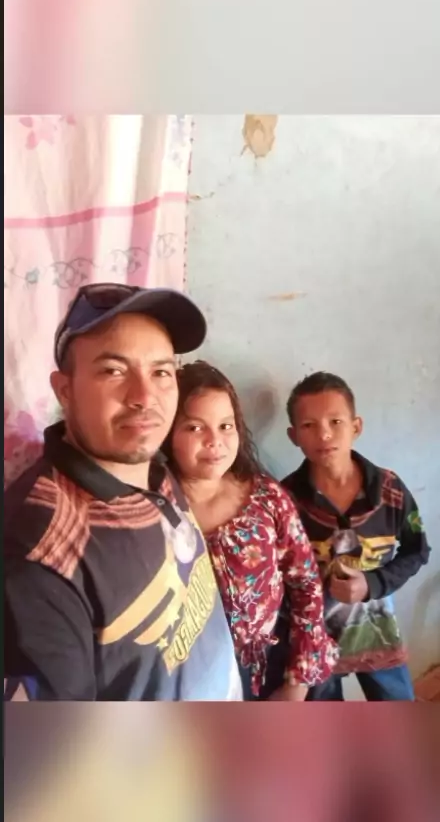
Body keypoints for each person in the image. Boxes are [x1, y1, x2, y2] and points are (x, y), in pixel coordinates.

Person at [4, 283, 243, 701]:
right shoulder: (38, 550)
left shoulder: (156, 468)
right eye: (113, 371)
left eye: (161, 372)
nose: (145, 398)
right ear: (64, 390)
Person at [164, 360, 338, 701]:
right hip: (196, 682)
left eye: (225, 426)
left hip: (275, 666)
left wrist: (298, 682)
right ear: (168, 432)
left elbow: (306, 584)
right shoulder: (155, 513)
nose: (215, 441)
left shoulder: (265, 498)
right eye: (195, 427)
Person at [282, 371, 431, 701]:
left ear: (356, 427)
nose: (324, 434)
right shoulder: (286, 501)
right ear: (294, 436)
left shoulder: (391, 491)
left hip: (377, 634)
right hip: (315, 640)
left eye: (335, 421)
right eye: (309, 425)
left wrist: (373, 584)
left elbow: (417, 551)